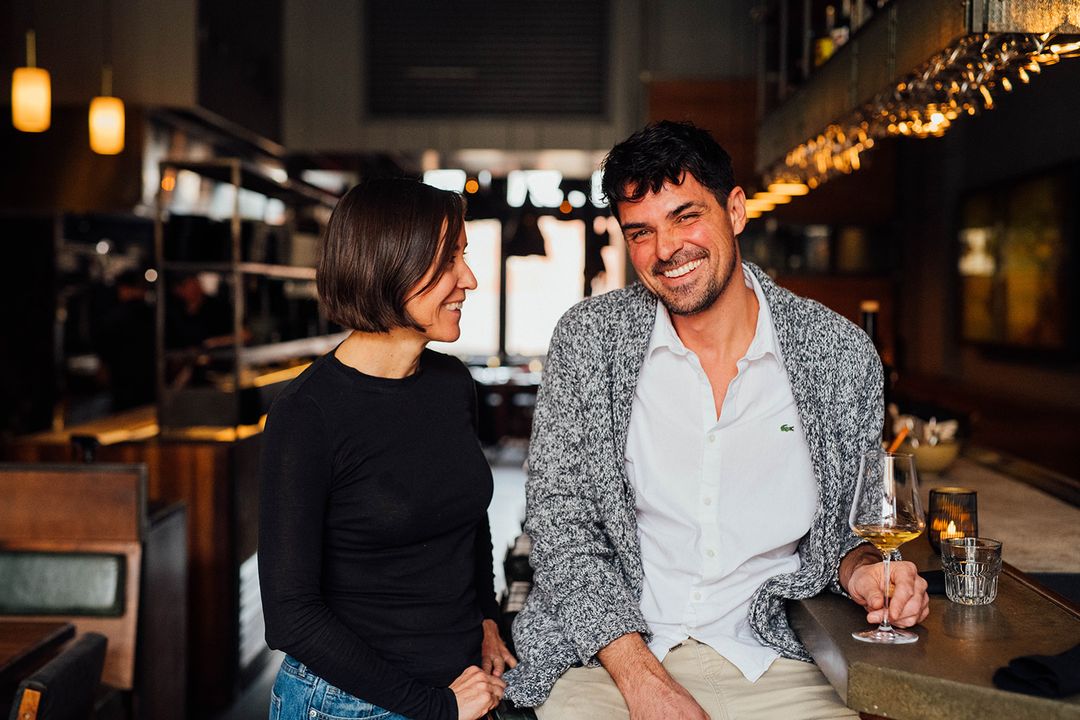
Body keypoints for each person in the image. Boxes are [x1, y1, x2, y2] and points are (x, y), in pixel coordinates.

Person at [504, 121, 929, 719]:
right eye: (641, 232)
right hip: (610, 658)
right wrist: (645, 683)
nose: (665, 250)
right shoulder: (590, 341)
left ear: (735, 210)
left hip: (779, 658)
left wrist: (864, 572)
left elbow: (845, 534)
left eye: (686, 217)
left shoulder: (838, 353)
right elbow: (561, 527)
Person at [259, 178, 515, 720]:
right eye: (448, 261)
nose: (469, 279)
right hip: (348, 706)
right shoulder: (306, 415)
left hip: (458, 687)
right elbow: (290, 616)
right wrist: (436, 707)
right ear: (388, 267)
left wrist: (487, 618)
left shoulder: (451, 383)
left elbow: (467, 518)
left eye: (464, 256)